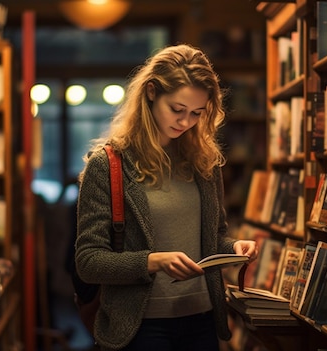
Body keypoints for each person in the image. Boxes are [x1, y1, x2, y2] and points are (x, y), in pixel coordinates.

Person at [74, 44, 260, 351]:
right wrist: (152, 261)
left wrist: (233, 248)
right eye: (177, 109)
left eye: (197, 113)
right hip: (140, 326)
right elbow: (89, 261)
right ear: (151, 92)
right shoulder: (108, 165)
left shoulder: (203, 162)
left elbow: (213, 238)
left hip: (202, 318)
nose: (186, 122)